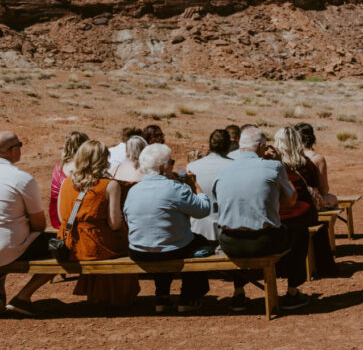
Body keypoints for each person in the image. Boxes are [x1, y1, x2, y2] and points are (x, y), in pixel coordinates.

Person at [214, 126, 311, 312]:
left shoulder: (223, 171)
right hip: (265, 242)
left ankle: (239, 293)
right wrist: (279, 164)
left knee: (237, 226)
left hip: (229, 243)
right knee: (299, 232)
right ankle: (292, 291)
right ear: (262, 147)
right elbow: (291, 200)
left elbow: (218, 205)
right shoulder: (273, 167)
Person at [122, 144, 212, 313]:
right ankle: (189, 297)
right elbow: (203, 210)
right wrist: (196, 186)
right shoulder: (175, 189)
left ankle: (162, 296)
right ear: (163, 167)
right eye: (171, 162)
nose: (172, 165)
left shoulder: (133, 191)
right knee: (196, 242)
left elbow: (128, 219)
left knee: (162, 239)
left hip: (139, 251)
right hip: (171, 250)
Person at [57, 140, 139, 308]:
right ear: (104, 159)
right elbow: (115, 224)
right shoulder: (109, 185)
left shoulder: (66, 182)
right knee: (126, 245)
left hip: (69, 243)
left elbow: (60, 216)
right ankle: (116, 297)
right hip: (93, 245)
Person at [1, 132, 54, 316]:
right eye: (20, 145)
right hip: (9, 248)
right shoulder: (22, 179)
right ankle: (23, 297)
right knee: (62, 245)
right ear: (10, 151)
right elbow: (39, 224)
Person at [277, 126, 337, 277]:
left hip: (279, 216)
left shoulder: (274, 166)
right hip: (304, 214)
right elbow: (322, 189)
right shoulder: (307, 163)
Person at [186, 129, 233, 242]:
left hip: (198, 231)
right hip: (228, 232)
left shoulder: (192, 167)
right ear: (229, 146)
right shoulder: (235, 166)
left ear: (210, 145)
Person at [49, 131, 88, 229]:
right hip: (78, 215)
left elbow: (54, 193)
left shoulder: (59, 167)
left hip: (58, 215)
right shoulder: (84, 167)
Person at [295, 122, 336, 207]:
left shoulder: (290, 157)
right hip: (310, 200)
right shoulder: (317, 158)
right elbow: (324, 189)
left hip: (294, 199)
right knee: (332, 199)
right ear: (312, 138)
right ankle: (326, 221)